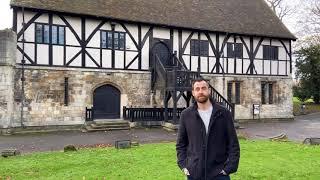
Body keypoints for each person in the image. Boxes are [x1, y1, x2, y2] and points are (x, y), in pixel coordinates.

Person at [176, 79, 240, 180]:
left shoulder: (223, 113)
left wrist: (229, 167)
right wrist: (184, 165)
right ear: (193, 93)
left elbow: (233, 143)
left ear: (209, 90)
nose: (200, 91)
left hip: (219, 173)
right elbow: (181, 144)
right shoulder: (186, 115)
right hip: (194, 173)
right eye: (197, 89)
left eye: (203, 88)